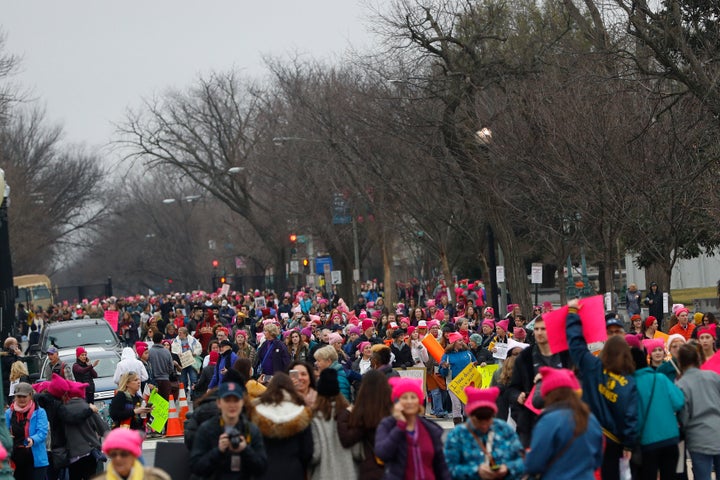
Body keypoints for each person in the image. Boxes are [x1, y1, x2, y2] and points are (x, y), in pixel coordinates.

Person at [566, 299, 638, 480]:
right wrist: (629, 445)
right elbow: (630, 416)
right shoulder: (629, 382)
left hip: (588, 434)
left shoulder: (593, 366)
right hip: (613, 441)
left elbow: (576, 344)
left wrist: (573, 313)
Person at [524, 368, 603, 479]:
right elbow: (597, 460)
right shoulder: (591, 418)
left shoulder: (548, 421)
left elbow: (534, 464)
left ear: (548, 395)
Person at [375, 377, 451, 480]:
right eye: (404, 397)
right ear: (397, 402)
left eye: (413, 397)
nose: (409, 401)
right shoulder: (387, 425)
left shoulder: (430, 429)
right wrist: (400, 426)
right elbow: (382, 453)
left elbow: (441, 466)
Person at [190, 381, 268, 479]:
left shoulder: (251, 430)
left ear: (242, 402)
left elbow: (262, 467)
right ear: (219, 403)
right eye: (227, 400)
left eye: (236, 400)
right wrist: (218, 451)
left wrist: (245, 450)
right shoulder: (207, 429)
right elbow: (196, 467)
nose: (232, 405)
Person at [444, 386, 525, 479]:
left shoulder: (504, 430)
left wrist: (508, 468)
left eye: (488, 420)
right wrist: (475, 471)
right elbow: (448, 468)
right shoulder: (458, 435)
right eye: (478, 421)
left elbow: (521, 460)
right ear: (470, 416)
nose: (484, 425)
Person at [631, 344, 684, 480]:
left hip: (647, 442)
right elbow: (678, 401)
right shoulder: (660, 378)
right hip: (670, 438)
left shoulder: (631, 385)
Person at [248, 373, 313, 480]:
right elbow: (307, 451)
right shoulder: (301, 413)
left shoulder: (256, 412)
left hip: (264, 471)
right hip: (293, 471)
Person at [337, 370, 393, 480]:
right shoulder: (391, 412)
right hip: (392, 467)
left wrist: (345, 413)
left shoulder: (363, 415)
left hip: (370, 467)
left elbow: (347, 439)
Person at [676, 343, 720, 480]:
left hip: (697, 437)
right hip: (718, 430)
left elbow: (684, 415)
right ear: (697, 358)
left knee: (702, 476)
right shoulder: (713, 376)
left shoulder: (681, 384)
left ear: (680, 361)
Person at [309, 368, 356, 479]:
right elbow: (358, 452)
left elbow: (315, 455)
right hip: (349, 473)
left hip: (323, 474)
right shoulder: (350, 414)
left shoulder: (313, 417)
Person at [61, 380, 109, 480]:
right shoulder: (89, 408)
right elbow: (104, 430)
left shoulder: (63, 410)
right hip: (89, 451)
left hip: (71, 453)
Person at [5, 382, 49, 480]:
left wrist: (32, 440)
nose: (21, 399)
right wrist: (7, 436)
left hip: (35, 459)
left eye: (24, 396)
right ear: (15, 397)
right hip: (15, 459)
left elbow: (42, 432)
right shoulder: (9, 413)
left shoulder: (40, 412)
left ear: (31, 396)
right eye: (19, 396)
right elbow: (4, 430)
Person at [96, 428, 170, 480]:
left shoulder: (155, 477)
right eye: (113, 454)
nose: (118, 458)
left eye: (124, 454)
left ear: (134, 455)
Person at [439, 332, 477, 425]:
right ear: (454, 342)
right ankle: (458, 427)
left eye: (462, 340)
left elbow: (475, 364)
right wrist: (444, 368)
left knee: (466, 405)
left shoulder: (468, 353)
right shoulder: (447, 355)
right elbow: (442, 373)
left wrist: (477, 365)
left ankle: (467, 426)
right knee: (456, 405)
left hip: (466, 384)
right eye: (459, 340)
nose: (462, 342)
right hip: (453, 384)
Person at [171, 327, 202, 400]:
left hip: (191, 362)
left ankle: (193, 395)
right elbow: (173, 350)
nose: (179, 334)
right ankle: (183, 395)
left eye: (180, 332)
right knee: (183, 380)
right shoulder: (176, 341)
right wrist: (178, 354)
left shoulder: (192, 340)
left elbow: (199, 348)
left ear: (185, 333)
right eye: (178, 332)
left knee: (193, 378)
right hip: (182, 363)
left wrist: (195, 353)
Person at [148, 332, 174, 400]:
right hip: (165, 380)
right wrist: (167, 373)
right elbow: (171, 367)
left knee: (155, 404)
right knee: (165, 403)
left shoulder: (149, 352)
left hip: (153, 381)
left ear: (153, 340)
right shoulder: (167, 352)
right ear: (161, 340)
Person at [2, 337, 22, 404]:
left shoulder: (11, 355)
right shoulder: (6, 357)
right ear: (11, 346)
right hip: (9, 385)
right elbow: (17, 367)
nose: (17, 346)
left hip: (12, 383)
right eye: (16, 344)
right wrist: (19, 356)